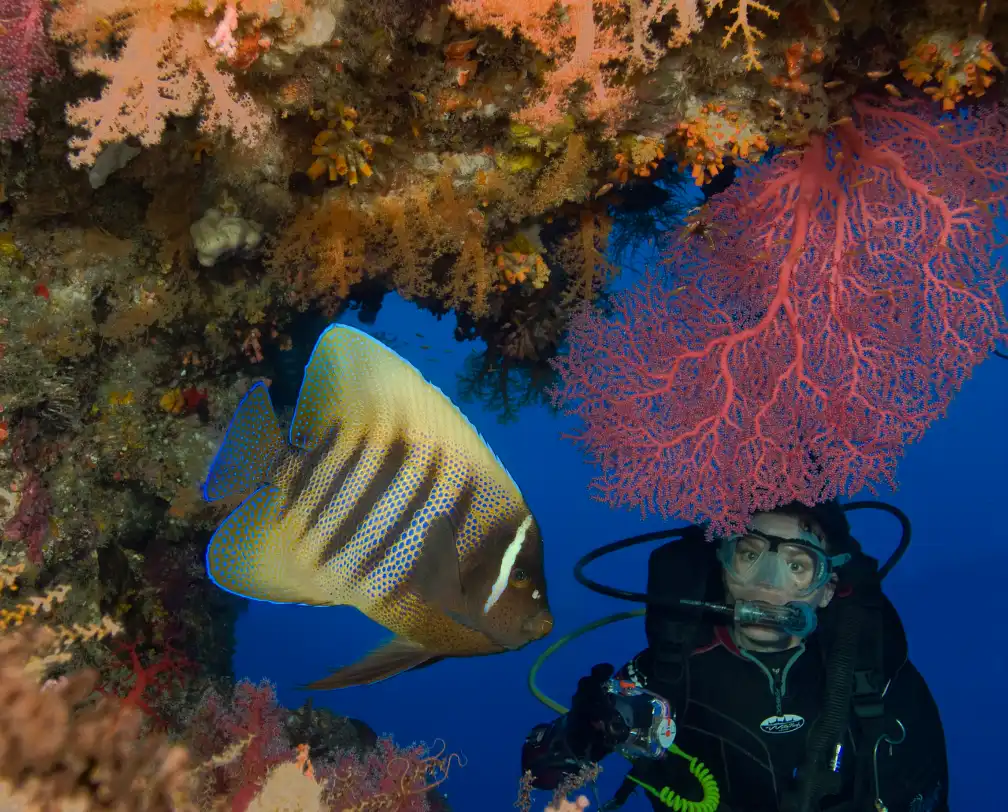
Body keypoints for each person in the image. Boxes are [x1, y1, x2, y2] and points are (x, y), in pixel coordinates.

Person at [521, 501, 949, 812]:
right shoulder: (671, 670)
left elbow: (926, 787)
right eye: (749, 555)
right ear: (723, 570)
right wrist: (581, 730)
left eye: (798, 567)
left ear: (827, 590)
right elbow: (539, 770)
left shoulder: (869, 667)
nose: (766, 584)